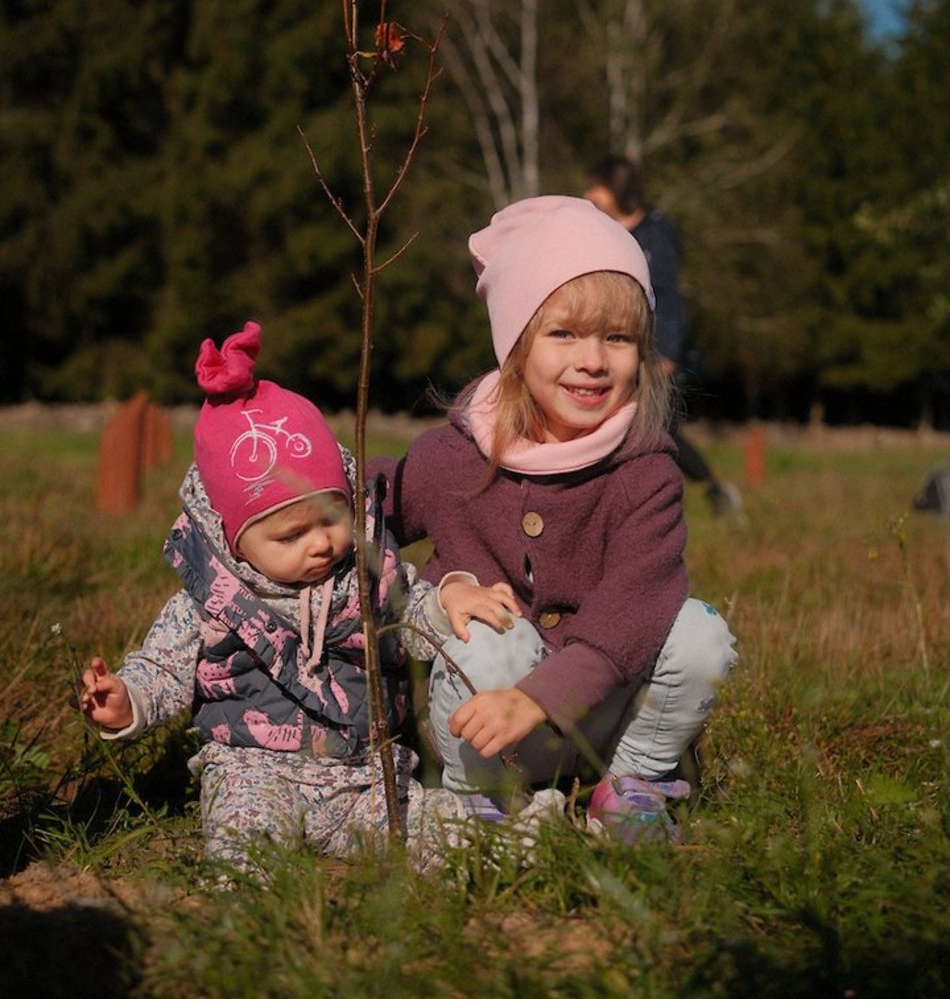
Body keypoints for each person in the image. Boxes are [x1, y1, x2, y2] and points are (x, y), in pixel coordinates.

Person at [81, 321, 511, 874]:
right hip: (252, 771)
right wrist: (126, 701)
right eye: (289, 536)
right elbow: (161, 666)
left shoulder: (367, 575)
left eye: (331, 518)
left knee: (441, 831)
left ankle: (526, 837)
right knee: (245, 846)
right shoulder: (211, 602)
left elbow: (413, 617)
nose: (321, 544)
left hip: (366, 775)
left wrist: (447, 602)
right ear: (232, 540)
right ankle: (248, 921)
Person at [371, 196, 737, 842]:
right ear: (515, 339)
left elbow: (633, 606)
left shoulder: (645, 469)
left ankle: (630, 786)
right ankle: (478, 799)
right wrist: (293, 478)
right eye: (564, 333)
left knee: (698, 634)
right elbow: (375, 501)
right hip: (487, 725)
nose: (593, 360)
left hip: (599, 717)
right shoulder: (459, 456)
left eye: (617, 337)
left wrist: (542, 699)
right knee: (489, 631)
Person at [585, 155, 742, 516]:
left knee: (660, 431)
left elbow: (668, 296)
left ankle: (714, 492)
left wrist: (667, 354)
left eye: (597, 186)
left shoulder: (657, 234)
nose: (589, 193)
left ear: (616, 190)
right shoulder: (605, 231)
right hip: (618, 346)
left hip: (657, 353)